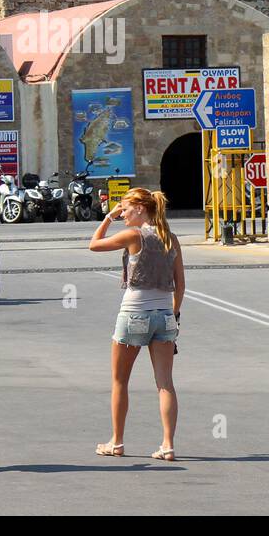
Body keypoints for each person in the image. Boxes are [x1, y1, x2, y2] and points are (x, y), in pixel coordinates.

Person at [88, 187, 185, 462]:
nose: (123, 213)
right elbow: (181, 285)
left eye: (126, 208)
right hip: (165, 315)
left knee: (120, 381)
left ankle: (116, 441)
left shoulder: (133, 235)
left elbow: (94, 244)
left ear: (141, 209)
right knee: (165, 383)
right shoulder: (171, 238)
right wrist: (173, 316)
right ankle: (168, 445)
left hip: (134, 314)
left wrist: (108, 218)